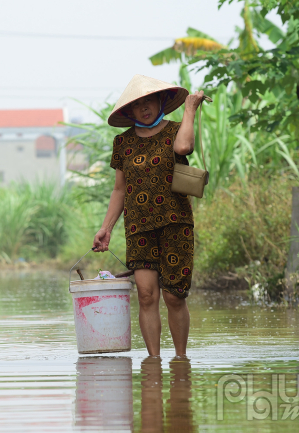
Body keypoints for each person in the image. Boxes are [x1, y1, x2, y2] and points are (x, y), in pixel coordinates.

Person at [92, 74, 205, 357]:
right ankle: (153, 360)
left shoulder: (177, 130)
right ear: (129, 112)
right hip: (139, 227)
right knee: (146, 295)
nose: (144, 108)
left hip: (175, 223)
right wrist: (106, 228)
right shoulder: (123, 143)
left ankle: (180, 360)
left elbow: (183, 148)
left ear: (160, 102)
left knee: (174, 295)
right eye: (137, 105)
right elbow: (120, 189)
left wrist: (190, 109)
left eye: (148, 102)